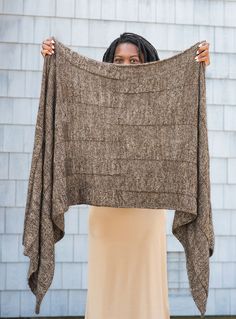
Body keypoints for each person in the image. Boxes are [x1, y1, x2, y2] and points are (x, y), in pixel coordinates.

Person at [40, 32, 210, 319]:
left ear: (148, 64)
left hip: (146, 217)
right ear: (109, 64)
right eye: (119, 60)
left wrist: (196, 67)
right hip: (105, 218)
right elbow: (67, 116)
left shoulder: (160, 104)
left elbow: (183, 126)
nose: (126, 66)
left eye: (134, 60)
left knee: (146, 298)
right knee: (107, 297)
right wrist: (53, 60)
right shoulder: (96, 102)